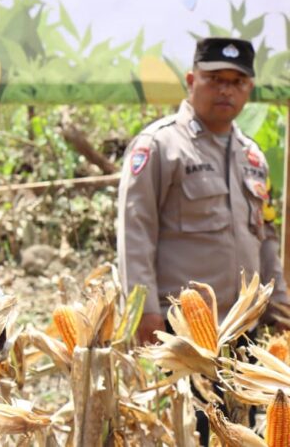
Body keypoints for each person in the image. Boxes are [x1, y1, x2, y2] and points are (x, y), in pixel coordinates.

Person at [118, 37, 288, 444]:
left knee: (241, 428)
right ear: (192, 80)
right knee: (188, 431)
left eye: (236, 81)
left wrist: (279, 305)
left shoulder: (253, 157)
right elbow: (135, 231)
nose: (225, 89)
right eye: (215, 79)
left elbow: (265, 237)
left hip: (242, 328)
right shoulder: (160, 146)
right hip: (183, 333)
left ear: (249, 89)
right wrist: (144, 312)